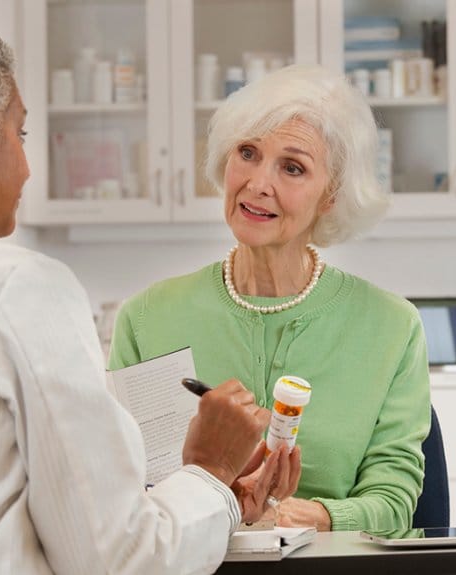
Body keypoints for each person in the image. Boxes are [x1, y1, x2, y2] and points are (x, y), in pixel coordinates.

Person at [0, 15, 299, 574]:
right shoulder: (18, 289)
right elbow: (119, 561)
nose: (27, 164)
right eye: (20, 133)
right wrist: (209, 472)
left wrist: (223, 501)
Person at [110, 64, 431, 532]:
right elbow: (124, 489)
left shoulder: (392, 327)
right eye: (248, 153)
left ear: (331, 195)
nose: (258, 183)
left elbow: (394, 502)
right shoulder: (146, 317)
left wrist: (306, 516)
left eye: (293, 167)